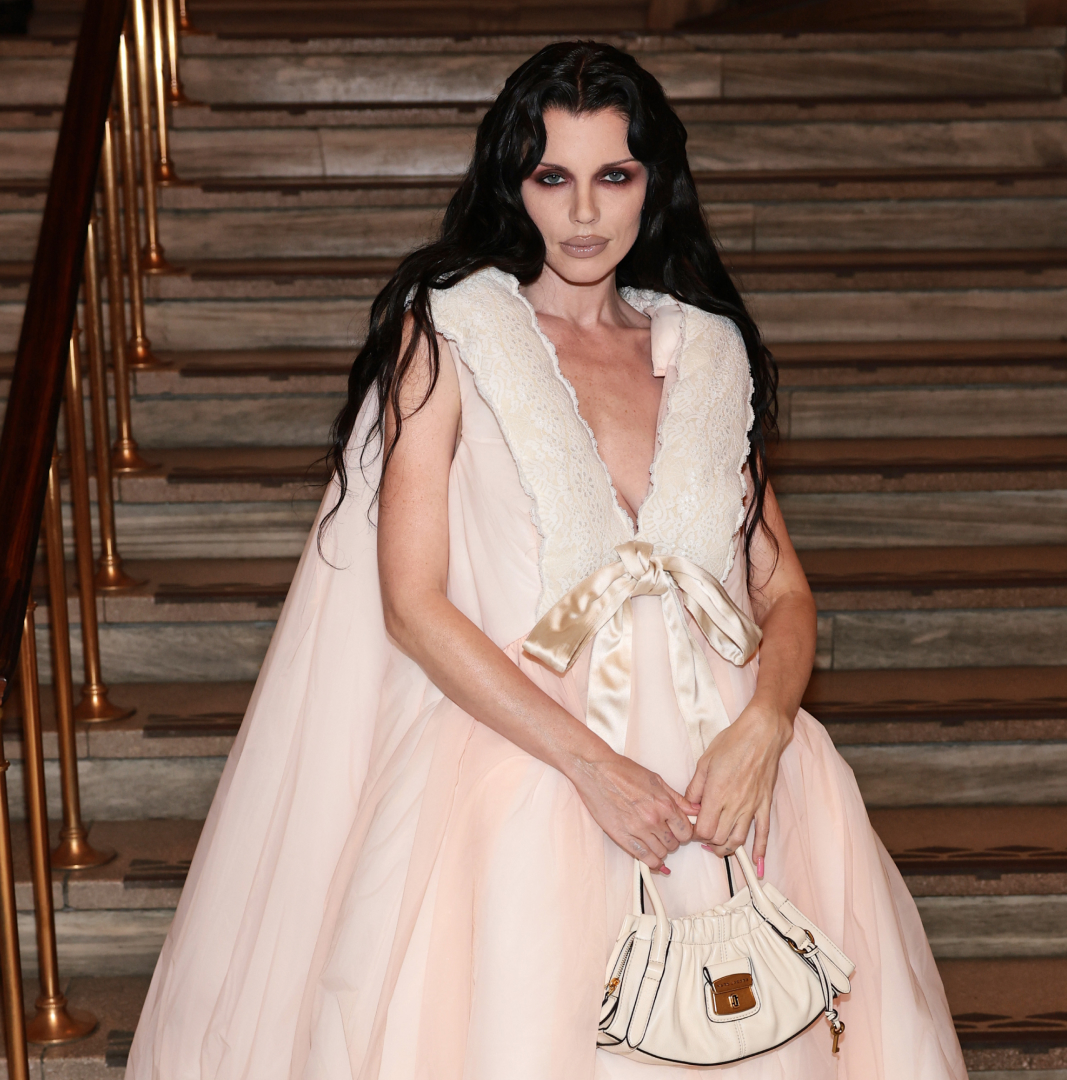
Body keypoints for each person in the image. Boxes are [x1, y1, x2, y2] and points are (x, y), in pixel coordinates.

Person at [126, 41, 968, 1080]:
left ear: (652, 184)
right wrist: (592, 768)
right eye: (552, 176)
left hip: (732, 780)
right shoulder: (454, 332)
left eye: (613, 175)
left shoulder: (708, 350)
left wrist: (767, 722)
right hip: (527, 777)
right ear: (512, 184)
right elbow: (413, 606)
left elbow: (779, 585)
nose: (582, 213)